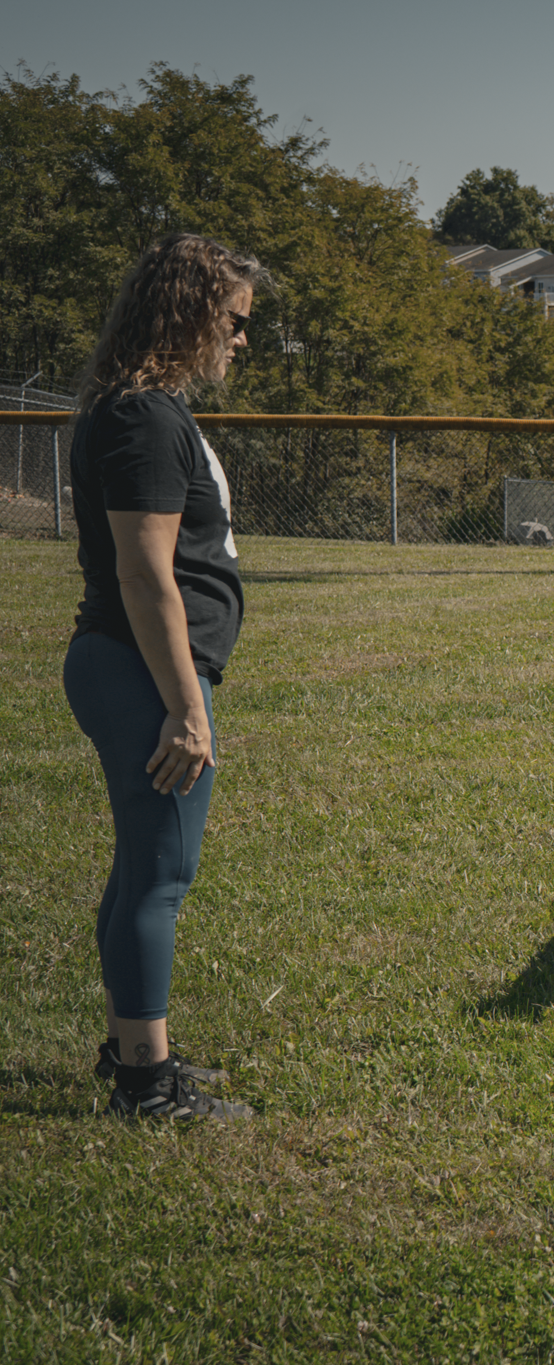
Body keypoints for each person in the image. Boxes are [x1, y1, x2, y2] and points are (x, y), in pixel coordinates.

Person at [64, 234, 267, 1121]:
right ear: (189, 314)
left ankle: (130, 1044)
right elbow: (147, 575)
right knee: (161, 874)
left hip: (126, 666)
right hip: (141, 671)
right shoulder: (143, 417)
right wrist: (189, 707)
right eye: (233, 320)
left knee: (142, 865)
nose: (240, 338)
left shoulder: (135, 407)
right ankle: (147, 1083)